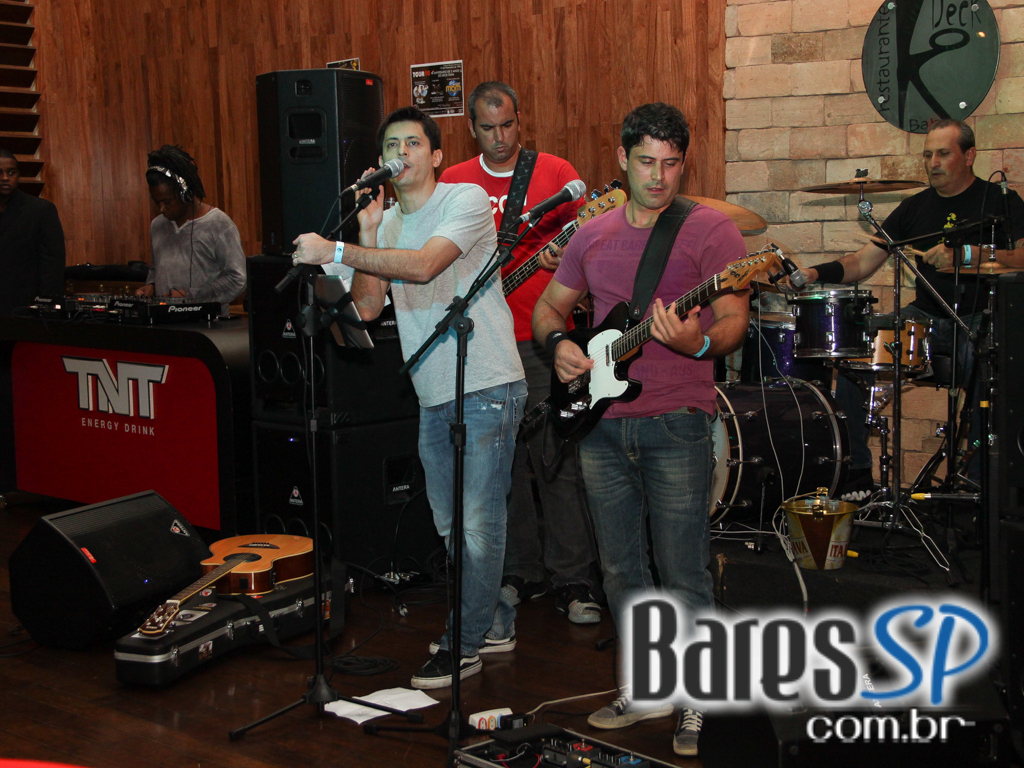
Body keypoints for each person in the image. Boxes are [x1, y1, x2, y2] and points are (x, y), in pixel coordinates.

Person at [532, 103, 749, 757]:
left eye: (671, 163)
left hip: (677, 421)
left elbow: (734, 322)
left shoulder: (709, 229)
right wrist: (558, 346)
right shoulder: (592, 234)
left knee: (683, 570)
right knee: (620, 569)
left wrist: (694, 341)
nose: (658, 176)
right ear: (622, 159)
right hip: (602, 426)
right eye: (646, 162)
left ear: (685, 163)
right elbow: (550, 307)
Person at [291, 106, 527, 690]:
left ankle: (463, 643)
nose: (402, 153)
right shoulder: (390, 222)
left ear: (437, 154)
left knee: (478, 524)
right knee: (450, 523)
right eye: (392, 145)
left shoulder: (464, 201)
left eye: (413, 143)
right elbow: (370, 308)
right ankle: (496, 617)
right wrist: (368, 232)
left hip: (486, 382)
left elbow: (423, 268)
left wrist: (337, 251)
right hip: (432, 391)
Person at [438, 81, 601, 624]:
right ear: (471, 128)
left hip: (542, 340)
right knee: (497, 465)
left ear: (519, 120)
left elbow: (593, 243)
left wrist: (566, 257)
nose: (500, 137)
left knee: (556, 459)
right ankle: (516, 571)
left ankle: (574, 579)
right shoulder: (454, 181)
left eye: (508, 125)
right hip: (482, 343)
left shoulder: (555, 174)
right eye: (488, 128)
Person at [800, 119, 1024, 492]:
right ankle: (856, 471)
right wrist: (813, 272)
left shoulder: (1000, 201)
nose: (933, 162)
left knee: (988, 361)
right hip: (925, 318)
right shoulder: (913, 208)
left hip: (979, 318)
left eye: (943, 153)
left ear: (969, 155)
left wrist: (967, 255)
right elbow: (862, 262)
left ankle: (978, 484)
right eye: (927, 155)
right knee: (856, 346)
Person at [137, 145, 246, 316]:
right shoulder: (157, 225)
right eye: (156, 202)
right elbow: (156, 269)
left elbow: (237, 279)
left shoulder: (219, 225)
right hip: (165, 322)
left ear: (185, 193)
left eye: (167, 201)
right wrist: (151, 285)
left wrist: (190, 295)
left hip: (208, 325)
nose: (161, 208)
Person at [0, 148, 66, 315]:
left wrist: (47, 306)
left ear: (18, 175)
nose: (5, 178)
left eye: (11, 172)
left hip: (25, 307)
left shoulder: (40, 210)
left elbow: (53, 264)